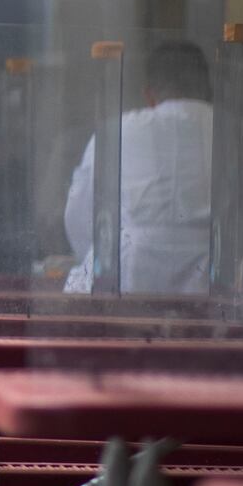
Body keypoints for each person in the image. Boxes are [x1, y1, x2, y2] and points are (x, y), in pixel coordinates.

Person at [62, 39, 215, 295]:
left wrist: (96, 260)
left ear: (149, 94)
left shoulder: (119, 130)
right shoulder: (239, 132)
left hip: (129, 279)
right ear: (209, 89)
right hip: (211, 283)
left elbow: (79, 213)